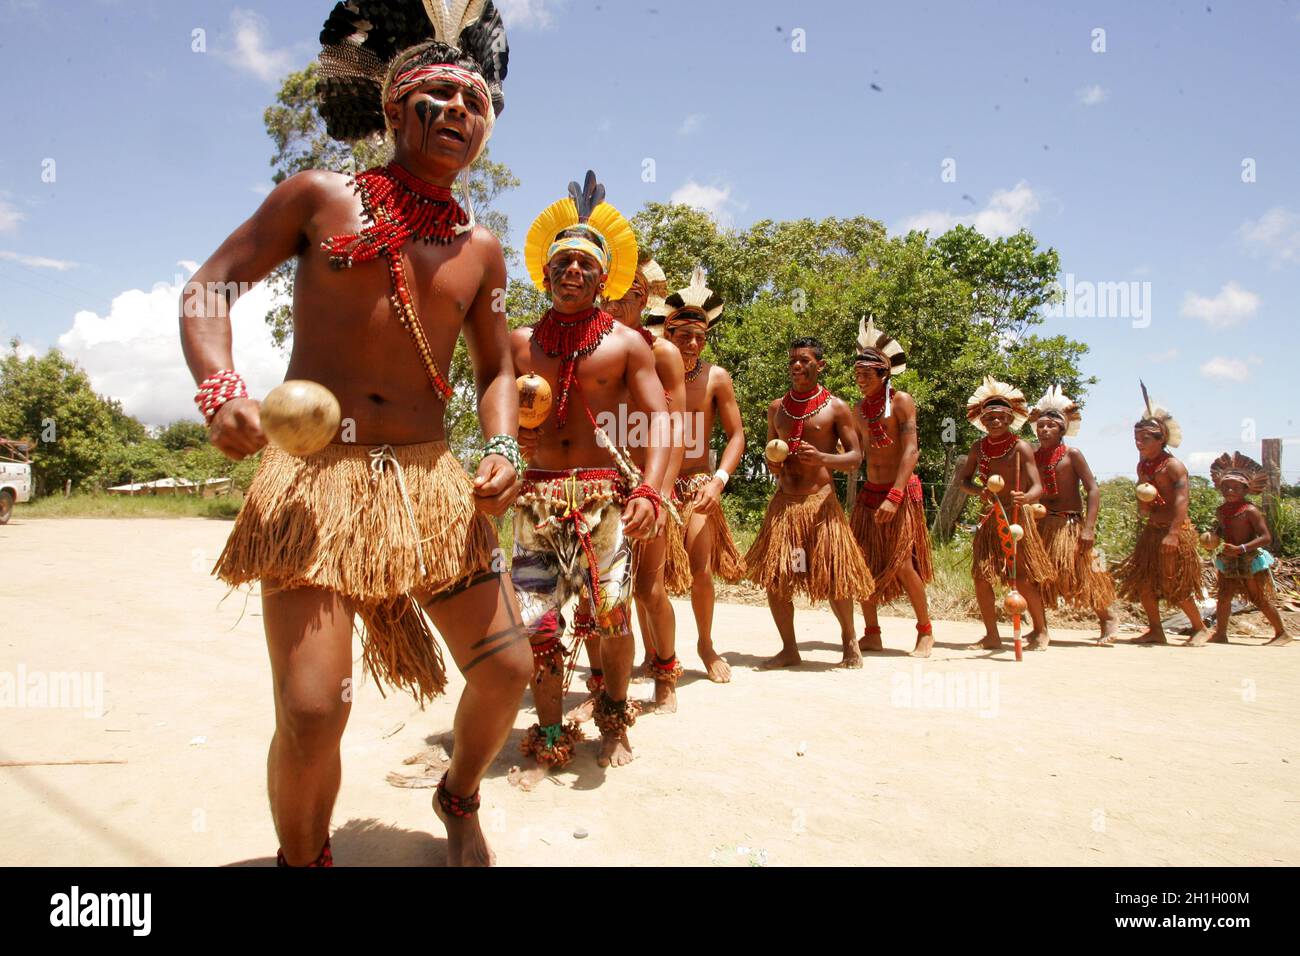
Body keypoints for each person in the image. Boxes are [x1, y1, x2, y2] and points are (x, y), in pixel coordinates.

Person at [181, 1, 529, 867]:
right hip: (315, 480)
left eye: (475, 101)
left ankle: (459, 794)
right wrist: (221, 386)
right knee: (311, 711)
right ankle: (306, 862)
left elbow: (496, 372)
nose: (458, 110)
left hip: (429, 483)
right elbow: (208, 289)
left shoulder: (481, 248)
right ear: (390, 107)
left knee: (509, 669)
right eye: (438, 94)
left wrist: (501, 447)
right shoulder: (320, 198)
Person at [509, 172, 670, 774]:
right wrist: (507, 443)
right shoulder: (520, 343)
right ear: (544, 274)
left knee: (612, 618)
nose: (572, 271)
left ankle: (613, 720)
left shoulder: (629, 344)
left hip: (604, 499)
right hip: (538, 500)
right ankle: (550, 733)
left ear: (604, 277)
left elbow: (664, 423)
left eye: (584, 263)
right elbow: (493, 410)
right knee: (539, 624)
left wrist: (651, 489)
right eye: (562, 262)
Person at [746, 338, 874, 669]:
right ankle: (789, 648)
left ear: (821, 364)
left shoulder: (837, 407)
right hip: (786, 504)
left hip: (821, 504)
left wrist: (822, 457)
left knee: (834, 575)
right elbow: (772, 448)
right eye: (792, 360)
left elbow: (856, 457)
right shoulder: (777, 408)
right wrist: (773, 463)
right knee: (778, 577)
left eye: (804, 360)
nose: (796, 366)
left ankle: (849, 641)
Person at [652, 267, 747, 682]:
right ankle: (655, 650)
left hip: (696, 484)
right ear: (668, 335)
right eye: (684, 336)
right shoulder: (648, 370)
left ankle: (706, 644)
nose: (692, 344)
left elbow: (737, 435)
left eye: (700, 337)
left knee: (701, 567)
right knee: (646, 573)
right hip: (655, 482)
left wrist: (718, 480)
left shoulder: (716, 378)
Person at [846, 318, 934, 657]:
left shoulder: (901, 402)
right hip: (870, 493)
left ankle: (925, 630)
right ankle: (871, 632)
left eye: (867, 375)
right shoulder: (858, 410)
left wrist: (895, 497)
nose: (860, 381)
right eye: (857, 376)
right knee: (862, 562)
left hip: (900, 493)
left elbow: (912, 451)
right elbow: (856, 453)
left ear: (884, 375)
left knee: (902, 563)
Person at [955, 377, 1055, 650]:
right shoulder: (978, 448)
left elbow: (1038, 487)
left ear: (1010, 418)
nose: (995, 422)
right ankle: (992, 635)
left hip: (1016, 518)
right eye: (990, 418)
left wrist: (1026, 497)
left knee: (1021, 577)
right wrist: (980, 492)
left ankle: (1041, 630)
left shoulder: (1021, 447)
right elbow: (964, 482)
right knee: (981, 576)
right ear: (982, 420)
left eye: (1000, 417)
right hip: (990, 517)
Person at [1113, 384, 1209, 645]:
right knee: (1144, 583)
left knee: (1173, 584)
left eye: (1145, 439)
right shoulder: (1143, 464)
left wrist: (1174, 534)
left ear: (1161, 440)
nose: (1139, 443)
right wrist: (1144, 506)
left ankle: (1200, 627)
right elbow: (1146, 500)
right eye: (1137, 438)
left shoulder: (1174, 466)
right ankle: (1156, 630)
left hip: (1174, 532)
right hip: (1153, 531)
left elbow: (1182, 501)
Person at [1028, 386, 1120, 645]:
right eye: (1041, 425)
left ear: (1062, 430)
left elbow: (1093, 489)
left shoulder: (1072, 455)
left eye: (1050, 426)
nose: (1044, 429)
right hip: (1042, 524)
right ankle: (1040, 627)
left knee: (1083, 573)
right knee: (1038, 577)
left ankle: (1107, 617)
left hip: (1069, 524)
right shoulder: (1034, 457)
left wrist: (1089, 528)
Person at [1205, 452, 1289, 646]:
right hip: (1229, 558)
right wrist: (1213, 536)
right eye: (1225, 487)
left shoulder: (1250, 511)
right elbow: (1223, 529)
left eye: (1235, 487)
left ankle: (1281, 632)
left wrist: (1241, 548)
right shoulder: (1222, 510)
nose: (1230, 491)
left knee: (1257, 597)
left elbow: (1266, 537)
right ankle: (1221, 633)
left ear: (1245, 489)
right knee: (1224, 596)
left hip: (1249, 559)